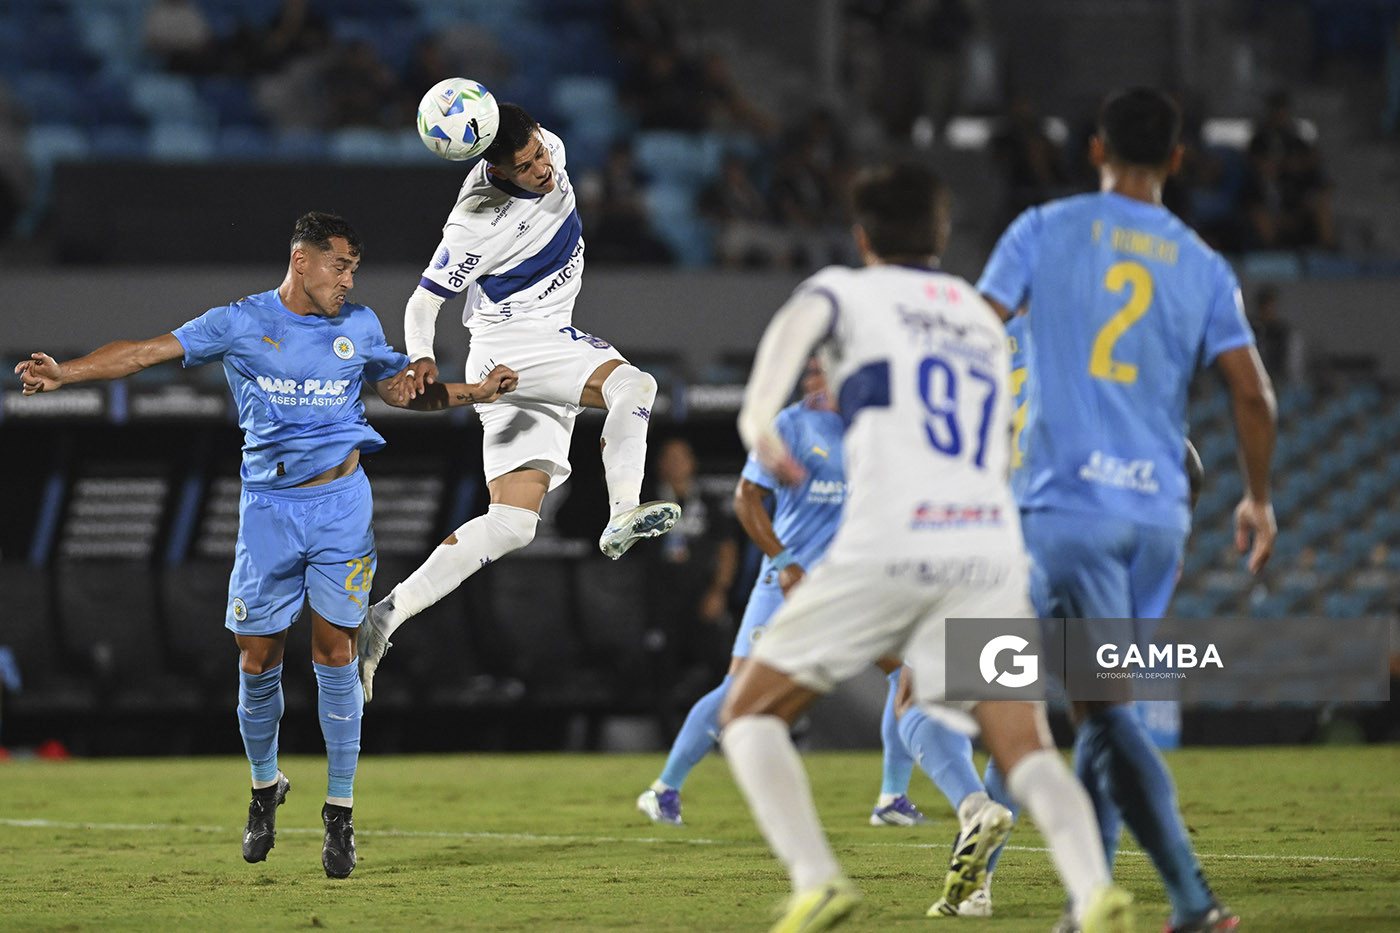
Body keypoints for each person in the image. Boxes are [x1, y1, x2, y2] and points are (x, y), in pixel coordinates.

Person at [13, 212, 518, 878]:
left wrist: (471, 393)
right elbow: (145, 353)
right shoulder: (240, 322)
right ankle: (263, 788)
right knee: (256, 661)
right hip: (269, 513)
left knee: (336, 650)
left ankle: (340, 812)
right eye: (340, 266)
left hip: (341, 507)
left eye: (354, 270)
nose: (348, 280)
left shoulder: (359, 327)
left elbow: (404, 393)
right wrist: (66, 374)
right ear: (301, 260)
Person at [720, 161, 1132, 933]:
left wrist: (757, 431)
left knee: (748, 715)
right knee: (1026, 745)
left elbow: (780, 356)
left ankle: (818, 880)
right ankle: (1092, 892)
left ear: (862, 234)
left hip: (890, 541)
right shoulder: (980, 317)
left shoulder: (845, 289)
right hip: (986, 552)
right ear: (942, 233)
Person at [976, 86, 1276, 933]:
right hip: (1158, 518)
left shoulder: (1043, 228)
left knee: (1096, 705)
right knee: (1105, 704)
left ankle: (1194, 899)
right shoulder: (1204, 262)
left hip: (1068, 508)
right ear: (1180, 160)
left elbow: (973, 328)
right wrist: (1257, 497)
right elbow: (1253, 396)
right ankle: (1091, 904)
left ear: (1097, 148)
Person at [356, 102, 681, 701]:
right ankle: (622, 514)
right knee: (634, 387)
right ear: (498, 172)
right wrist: (422, 356)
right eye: (527, 165)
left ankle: (384, 618)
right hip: (518, 342)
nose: (544, 167)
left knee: (512, 524)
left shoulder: (543, 142)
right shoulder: (473, 222)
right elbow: (423, 303)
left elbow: (499, 121)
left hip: (527, 350)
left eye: (539, 153)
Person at [636, 361, 931, 831]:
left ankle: (892, 798)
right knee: (737, 690)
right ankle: (664, 789)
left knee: (907, 675)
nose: (812, 380)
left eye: (822, 371)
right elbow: (745, 499)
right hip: (789, 583)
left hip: (847, 585)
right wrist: (783, 561)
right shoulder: (791, 424)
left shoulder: (873, 427)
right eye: (808, 372)